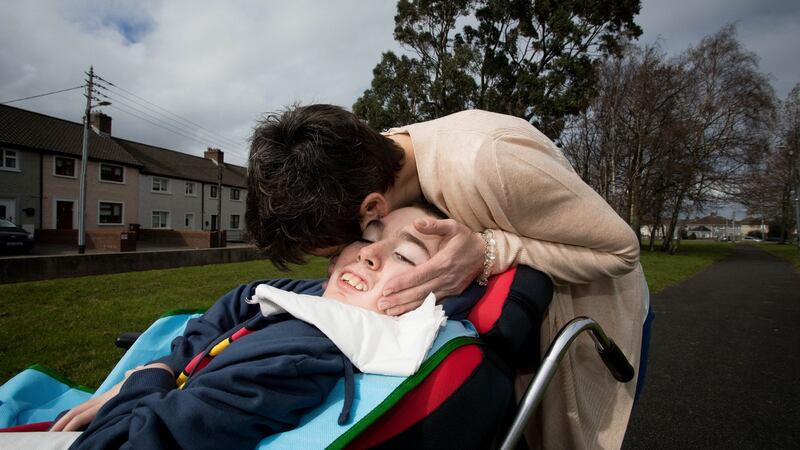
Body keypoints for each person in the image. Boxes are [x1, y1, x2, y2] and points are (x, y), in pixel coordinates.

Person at [246, 104, 648, 449]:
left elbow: (620, 250)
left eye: (336, 250)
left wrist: (489, 251)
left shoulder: (490, 161)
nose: (351, 259)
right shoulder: (365, 164)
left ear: (373, 209)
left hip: (592, 309)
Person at [48, 205, 451, 450]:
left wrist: (146, 379)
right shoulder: (314, 297)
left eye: (404, 255)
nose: (369, 254)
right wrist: (173, 365)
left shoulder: (291, 365)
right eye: (367, 236)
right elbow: (246, 295)